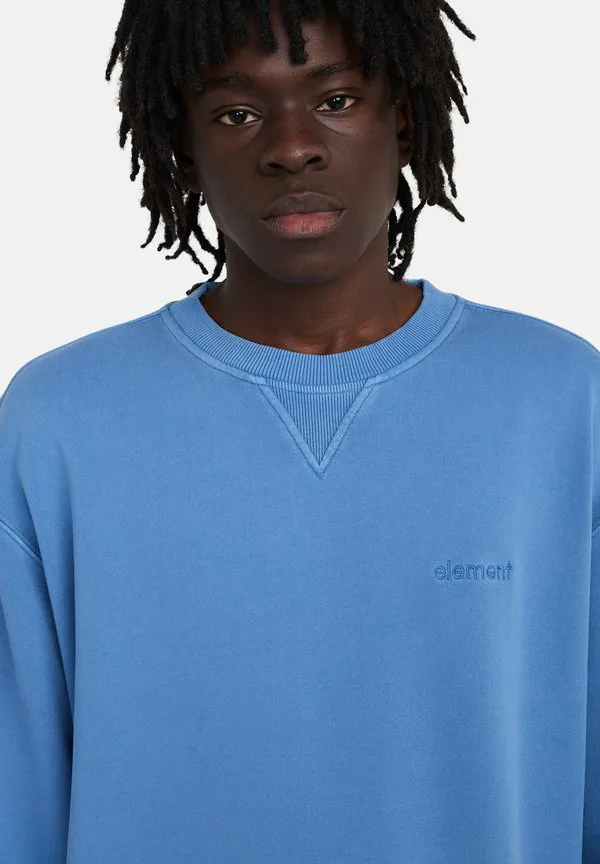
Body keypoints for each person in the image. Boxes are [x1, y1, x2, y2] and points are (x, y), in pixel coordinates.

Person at [1, 1, 599, 861]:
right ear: (183, 146)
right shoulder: (59, 420)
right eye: (235, 112)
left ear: (405, 118)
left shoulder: (562, 399)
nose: (291, 147)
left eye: (336, 99)